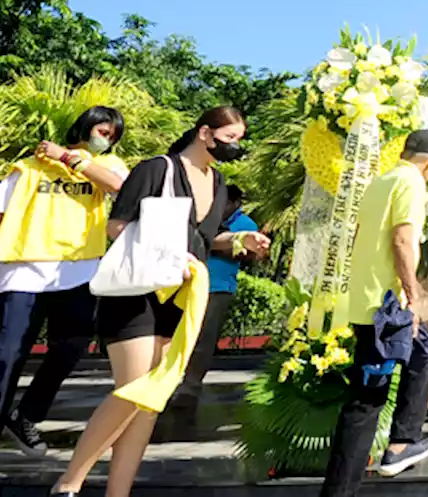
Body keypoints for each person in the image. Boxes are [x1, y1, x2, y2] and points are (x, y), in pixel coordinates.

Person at [51, 107, 270, 497]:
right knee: (134, 390)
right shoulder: (158, 168)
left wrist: (239, 241)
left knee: (149, 402)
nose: (234, 146)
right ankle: (69, 483)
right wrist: (169, 253)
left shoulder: (216, 181)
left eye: (239, 139)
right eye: (230, 137)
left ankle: (118, 491)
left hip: (178, 296)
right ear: (205, 133)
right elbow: (118, 226)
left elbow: (206, 237)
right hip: (139, 292)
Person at [319, 129, 428, 497]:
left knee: (423, 350)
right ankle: (400, 446)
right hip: (387, 309)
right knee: (365, 404)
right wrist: (413, 294)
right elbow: (402, 239)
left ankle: (403, 441)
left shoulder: (381, 182)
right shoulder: (411, 183)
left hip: (366, 302)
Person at [0, 107, 129, 456]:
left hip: (78, 271)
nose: (108, 138)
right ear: (85, 126)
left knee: (71, 348)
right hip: (24, 270)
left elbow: (120, 187)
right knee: (8, 355)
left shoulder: (109, 167)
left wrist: (69, 159)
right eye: (103, 130)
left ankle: (25, 415)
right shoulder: (27, 168)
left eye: (114, 135)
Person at [162, 184, 263, 429]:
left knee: (203, 342)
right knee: (173, 337)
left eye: (226, 202)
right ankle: (165, 385)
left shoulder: (246, 225)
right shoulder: (202, 217)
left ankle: (190, 388)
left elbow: (247, 255)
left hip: (217, 288)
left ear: (236, 202)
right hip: (183, 284)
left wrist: (211, 245)